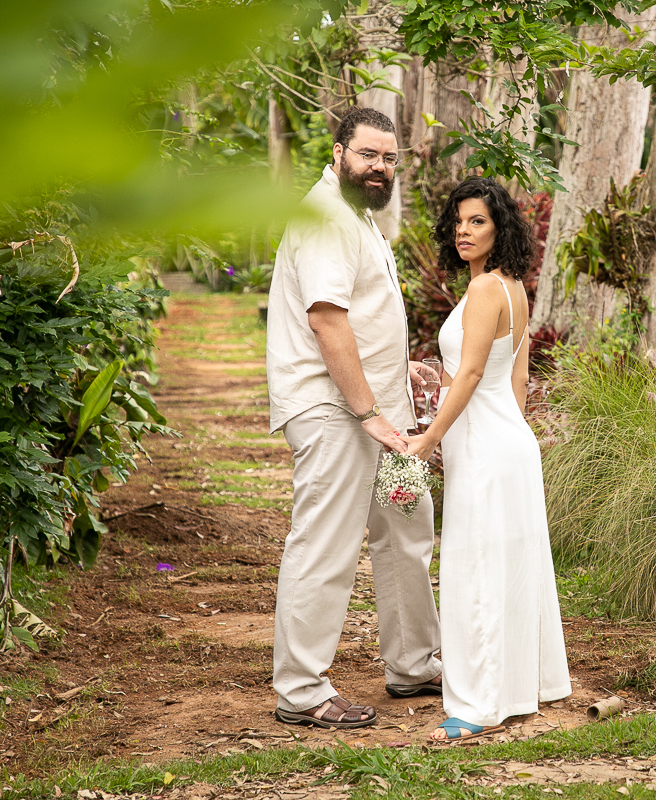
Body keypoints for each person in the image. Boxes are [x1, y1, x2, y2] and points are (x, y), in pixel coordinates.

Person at [266, 107, 443, 729]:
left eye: (390, 158)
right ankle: (302, 690)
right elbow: (326, 319)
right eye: (369, 155)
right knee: (327, 542)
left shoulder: (358, 218)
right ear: (338, 153)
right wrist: (367, 410)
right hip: (333, 410)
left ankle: (413, 664)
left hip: (376, 408)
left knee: (406, 527)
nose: (380, 167)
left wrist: (401, 364)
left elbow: (359, 314)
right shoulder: (325, 217)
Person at [406, 177, 571, 741]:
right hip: (510, 443)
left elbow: (474, 374)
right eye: (458, 221)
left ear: (500, 228)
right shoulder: (511, 288)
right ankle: (517, 690)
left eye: (477, 221)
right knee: (510, 571)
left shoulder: (483, 292)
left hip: (486, 446)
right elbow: (515, 379)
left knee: (474, 571)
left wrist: (428, 440)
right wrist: (502, 431)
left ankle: (476, 707)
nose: (463, 230)